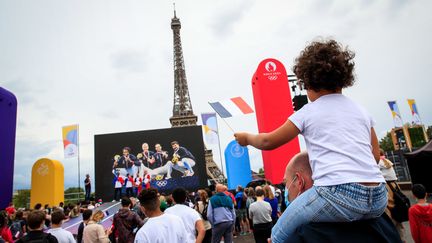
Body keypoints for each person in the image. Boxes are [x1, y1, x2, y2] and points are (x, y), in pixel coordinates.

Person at [235, 39, 386, 242]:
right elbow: (374, 156)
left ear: (308, 82)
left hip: (336, 194)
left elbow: (267, 142)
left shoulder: (308, 112)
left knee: (278, 232)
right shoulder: (360, 110)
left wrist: (246, 138)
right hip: (378, 196)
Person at [284, 152, 402, 243]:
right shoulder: (381, 219)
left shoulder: (303, 235)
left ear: (299, 181)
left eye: (286, 183)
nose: (286, 190)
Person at [379, 149, 405, 238]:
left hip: (386, 186)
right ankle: (402, 238)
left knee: (389, 210)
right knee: (397, 215)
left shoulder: (378, 163)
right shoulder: (387, 161)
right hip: (394, 185)